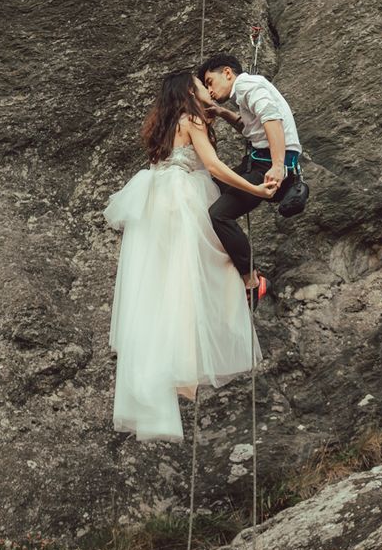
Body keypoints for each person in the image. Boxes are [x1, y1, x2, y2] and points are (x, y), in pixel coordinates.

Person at [104, 70, 278, 442]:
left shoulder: (163, 125)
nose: (206, 87)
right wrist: (255, 189)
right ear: (189, 92)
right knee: (206, 263)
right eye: (200, 85)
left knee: (170, 282)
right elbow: (213, 167)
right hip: (182, 197)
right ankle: (251, 281)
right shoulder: (192, 118)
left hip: (156, 201)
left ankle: (176, 360)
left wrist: (222, 115)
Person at [197, 53, 302, 291]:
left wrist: (278, 165)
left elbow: (271, 119)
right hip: (258, 162)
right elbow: (253, 128)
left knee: (218, 214)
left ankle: (252, 280)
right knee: (212, 185)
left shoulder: (246, 86)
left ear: (227, 73)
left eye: (209, 82)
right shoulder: (248, 90)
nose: (209, 91)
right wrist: (224, 113)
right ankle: (225, 253)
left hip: (269, 165)